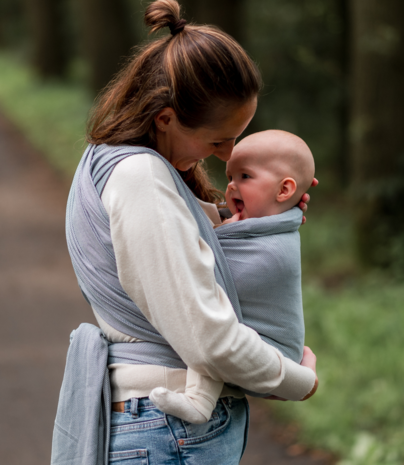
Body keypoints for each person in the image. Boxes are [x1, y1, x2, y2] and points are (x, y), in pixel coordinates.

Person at [53, 2, 318, 464]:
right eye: (217, 141)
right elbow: (208, 340)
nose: (225, 155)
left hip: (159, 427)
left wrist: (263, 220)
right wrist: (298, 380)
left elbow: (176, 247)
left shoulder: (109, 158)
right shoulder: (140, 178)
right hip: (169, 428)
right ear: (166, 118)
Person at [149, 130, 315, 424]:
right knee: (214, 326)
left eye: (245, 176)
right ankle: (200, 401)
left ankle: (199, 403)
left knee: (215, 325)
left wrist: (220, 233)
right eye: (231, 176)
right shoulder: (261, 225)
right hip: (269, 355)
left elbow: (211, 272)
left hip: (270, 349)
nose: (231, 185)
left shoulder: (275, 247)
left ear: (284, 190)